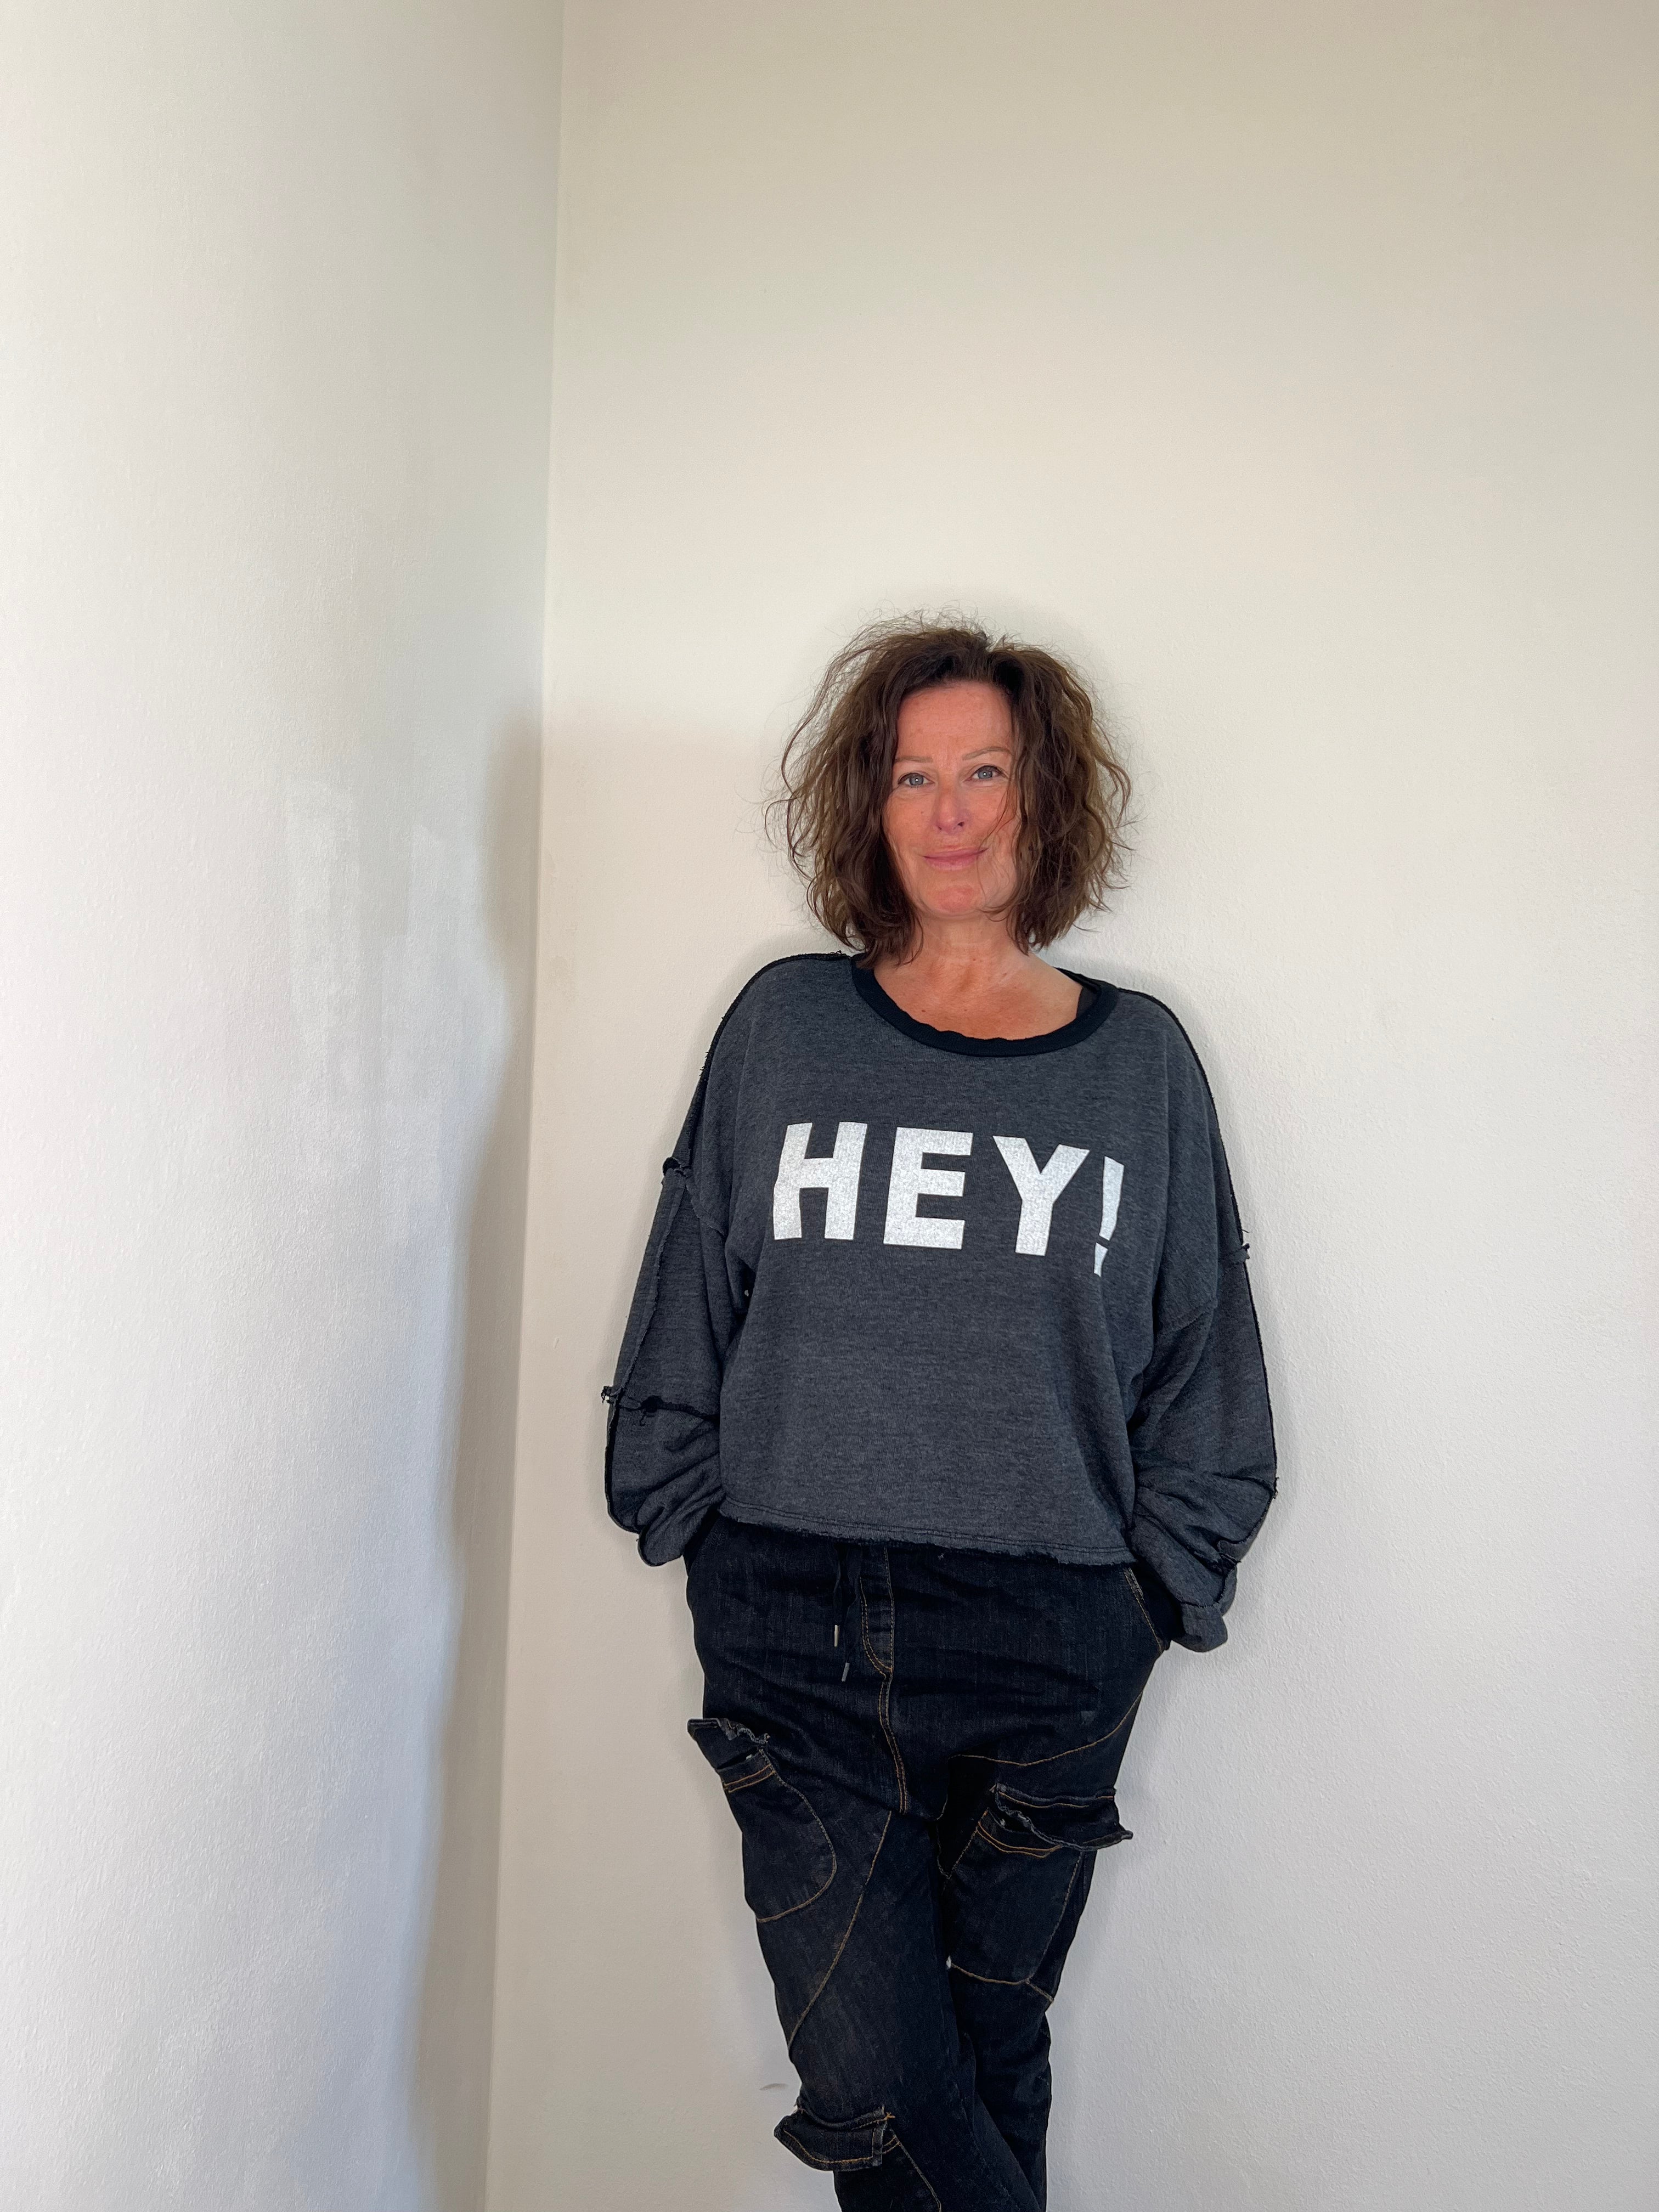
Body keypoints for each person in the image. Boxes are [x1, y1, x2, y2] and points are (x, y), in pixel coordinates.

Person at [602, 618, 1276, 2210]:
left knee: (984, 2058)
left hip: (1054, 1639)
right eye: (915, 776)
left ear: (1047, 799)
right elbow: (691, 1290)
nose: (953, 810)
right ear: (870, 803)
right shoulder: (785, 1026)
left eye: (988, 770)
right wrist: (690, 1517)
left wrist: (1149, 1595)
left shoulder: (1140, 1065)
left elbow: (1205, 1351)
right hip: (796, 1631)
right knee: (881, 2085)